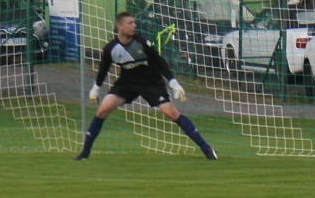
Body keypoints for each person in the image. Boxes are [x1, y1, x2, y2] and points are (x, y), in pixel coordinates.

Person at [76, 11, 217, 161]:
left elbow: (159, 62)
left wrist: (174, 83)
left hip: (151, 83)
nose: (134, 25)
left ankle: (207, 149)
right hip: (126, 84)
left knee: (173, 114)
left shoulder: (142, 43)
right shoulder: (110, 48)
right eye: (130, 23)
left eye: (134, 22)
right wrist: (96, 89)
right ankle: (85, 153)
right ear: (120, 26)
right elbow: (103, 68)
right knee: (102, 110)